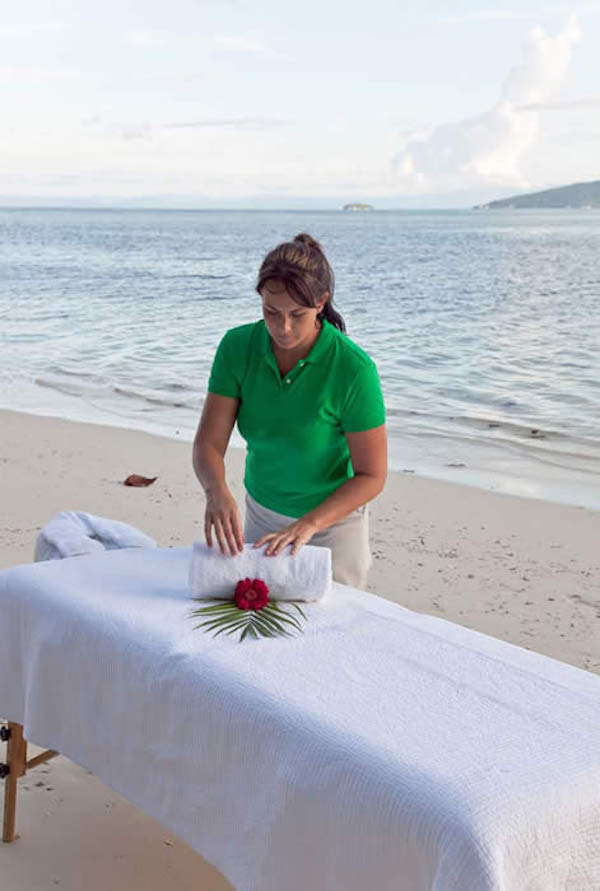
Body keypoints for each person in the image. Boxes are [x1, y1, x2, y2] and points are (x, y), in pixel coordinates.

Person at [192, 233, 386, 589]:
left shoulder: (353, 369)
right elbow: (208, 443)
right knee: (257, 615)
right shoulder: (237, 348)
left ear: (321, 302)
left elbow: (371, 475)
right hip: (261, 518)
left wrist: (310, 524)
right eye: (271, 312)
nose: (283, 328)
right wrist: (215, 491)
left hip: (333, 527)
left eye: (297, 315)